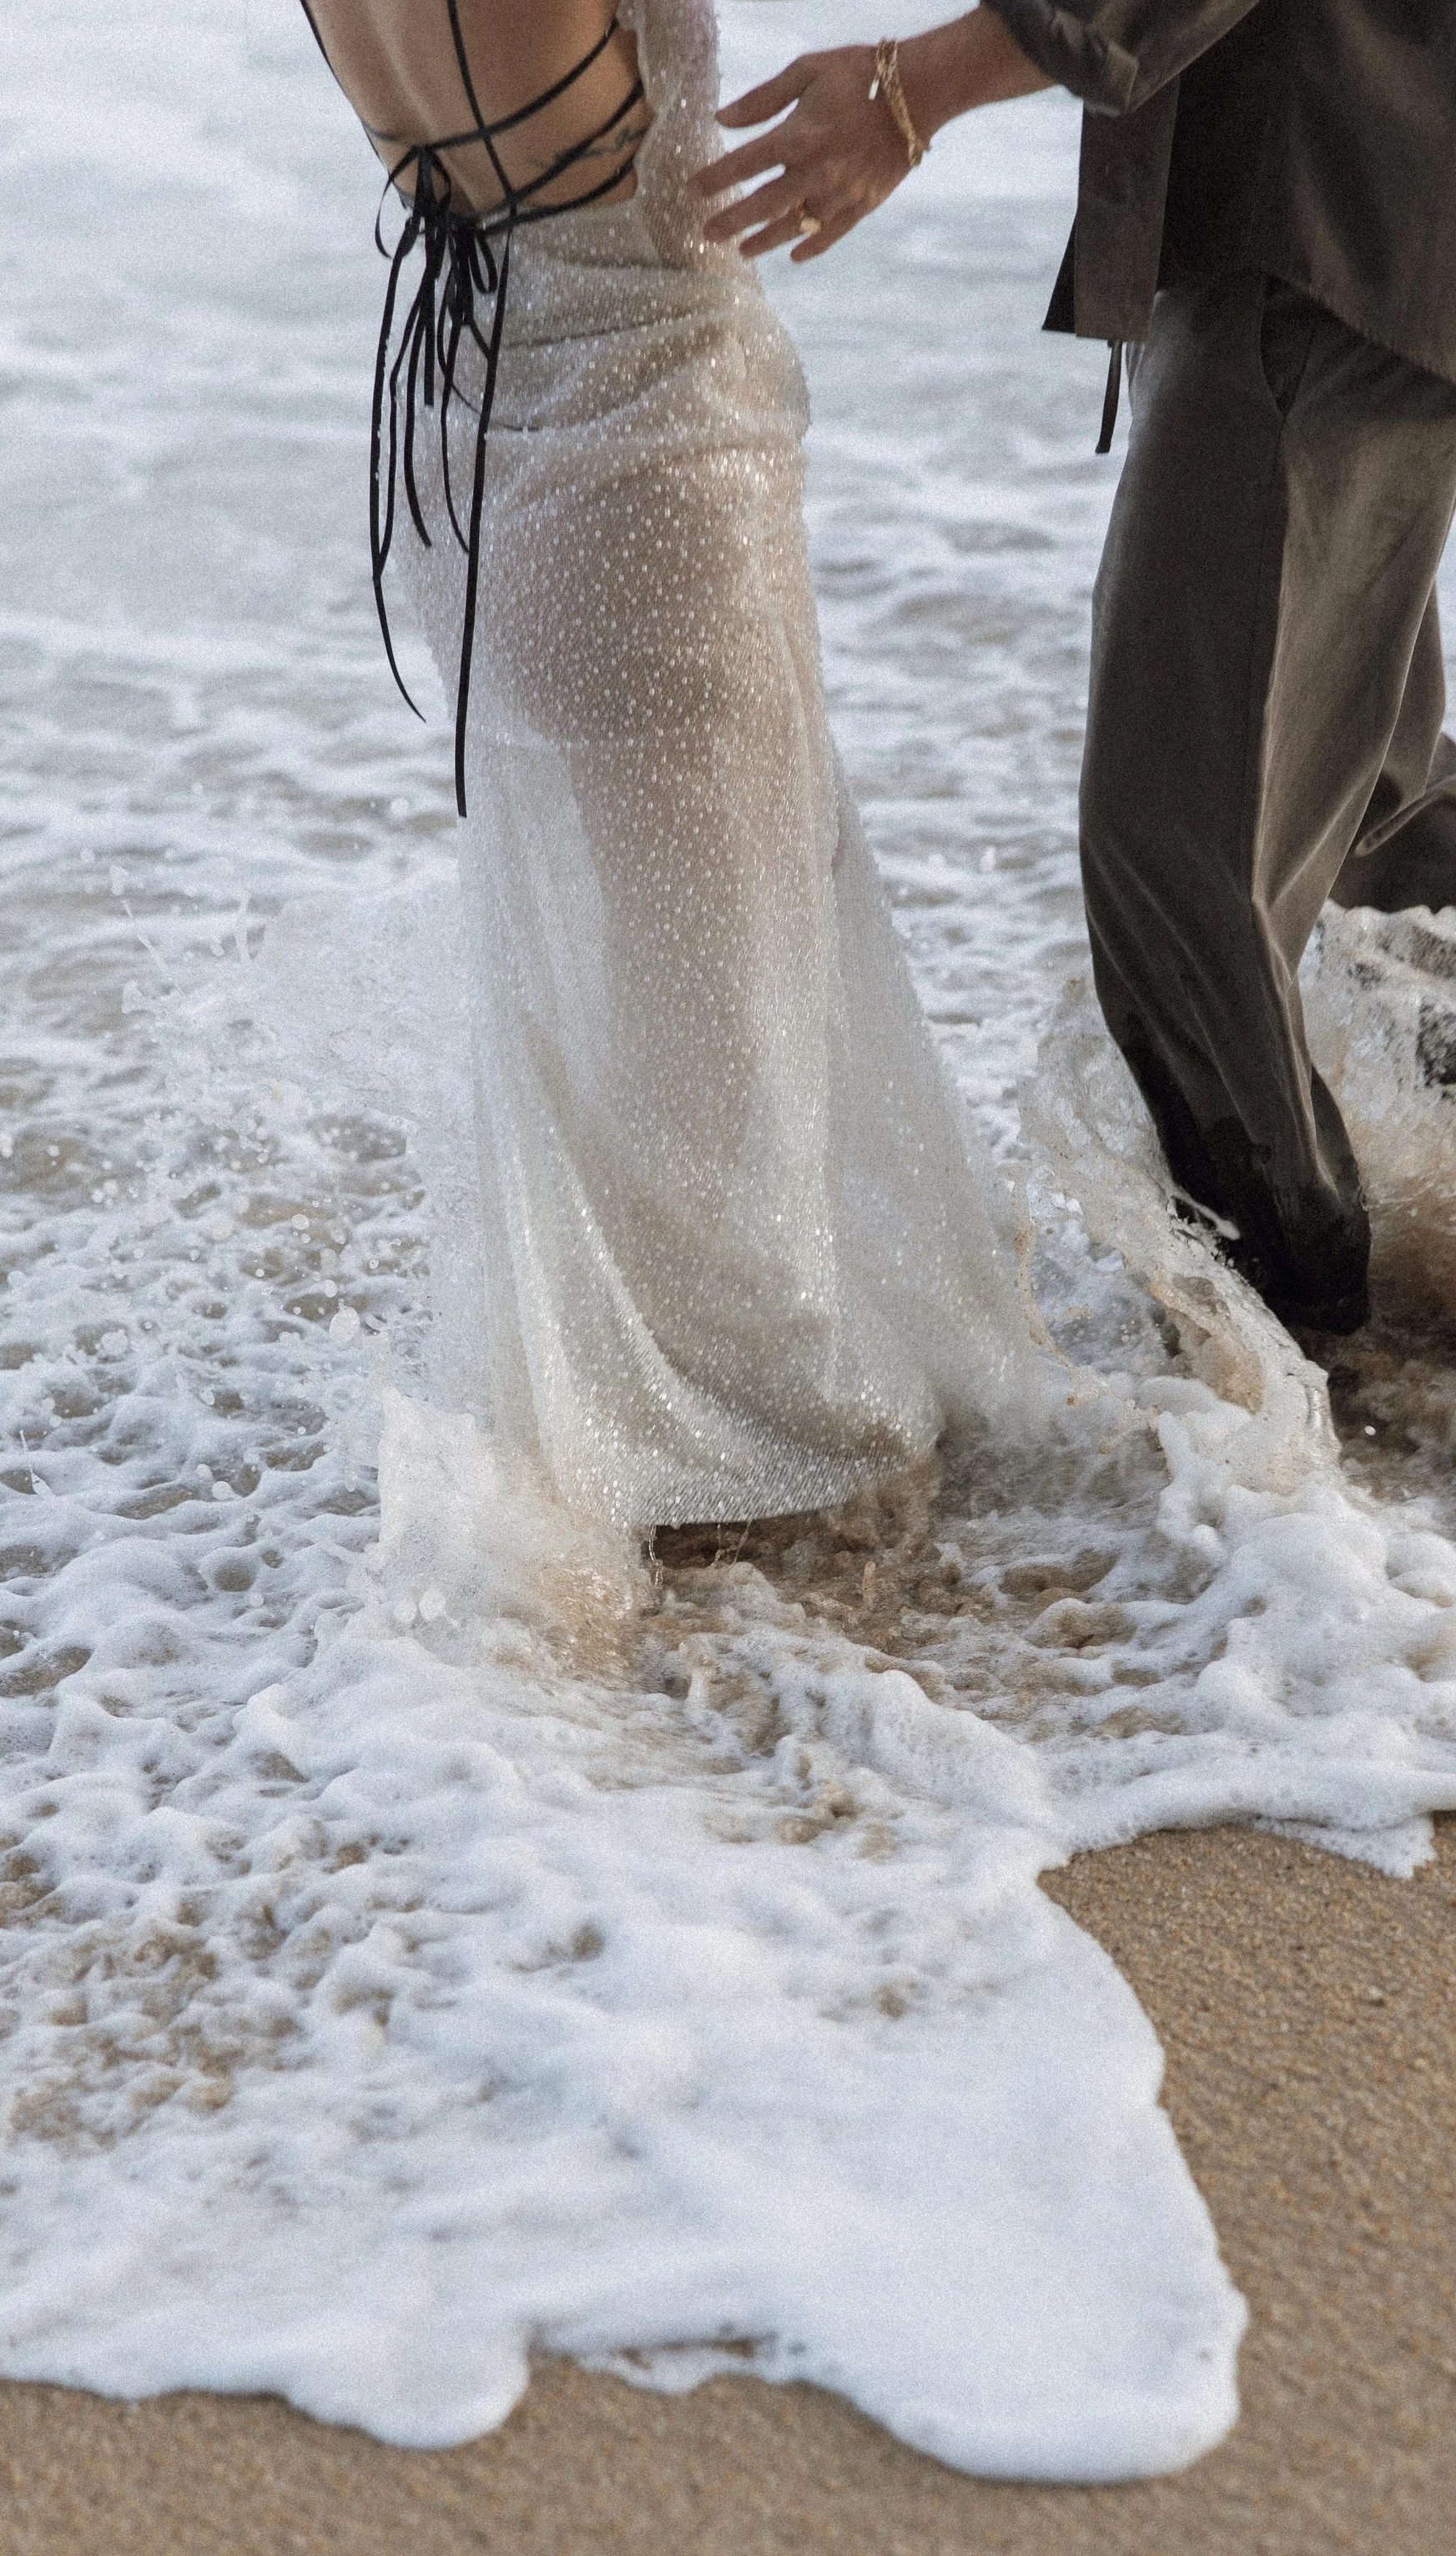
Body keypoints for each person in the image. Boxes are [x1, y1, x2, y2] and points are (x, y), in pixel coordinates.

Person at [693, 0, 1456, 1335]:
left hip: (1326, 189)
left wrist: (918, 87)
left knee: (1173, 837)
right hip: (1364, 182)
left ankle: (1303, 1334)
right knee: (1352, 765)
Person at [295, 0, 1033, 1532]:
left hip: (468, 440)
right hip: (649, 455)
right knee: (739, 1027)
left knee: (605, 1022)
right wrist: (926, 87)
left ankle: (627, 1468)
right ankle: (781, 1518)